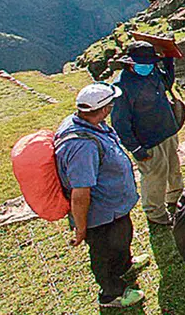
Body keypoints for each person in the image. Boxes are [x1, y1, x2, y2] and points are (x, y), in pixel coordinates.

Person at [55, 82, 149, 309]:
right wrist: (81, 227)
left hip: (114, 207)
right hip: (100, 213)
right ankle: (111, 293)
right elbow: (80, 192)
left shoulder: (91, 124)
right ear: (105, 108)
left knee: (122, 237)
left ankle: (124, 266)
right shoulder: (82, 146)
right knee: (103, 252)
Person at [111, 40, 184, 226]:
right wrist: (135, 147)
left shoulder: (151, 72)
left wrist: (168, 60)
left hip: (167, 130)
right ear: (130, 63)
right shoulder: (122, 86)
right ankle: (155, 213)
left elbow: (166, 83)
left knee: (173, 168)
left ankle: (175, 197)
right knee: (154, 177)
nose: (148, 67)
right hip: (148, 140)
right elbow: (120, 122)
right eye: (144, 64)